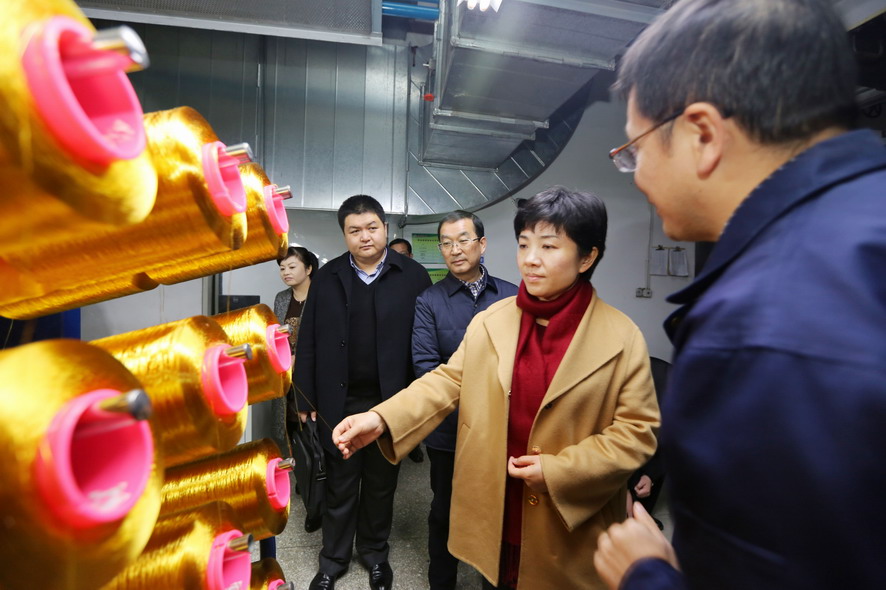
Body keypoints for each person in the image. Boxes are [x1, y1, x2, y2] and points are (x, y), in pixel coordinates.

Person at [593, 1, 886, 589]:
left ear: (702, 135)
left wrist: (646, 574)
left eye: (636, 150)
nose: (639, 174)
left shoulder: (756, 326)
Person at [333, 187, 660, 590]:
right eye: (524, 244)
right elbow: (447, 379)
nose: (531, 259)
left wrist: (560, 471)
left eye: (549, 246)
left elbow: (636, 433)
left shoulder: (621, 336)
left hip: (568, 518)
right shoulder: (493, 320)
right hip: (499, 502)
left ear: (587, 257)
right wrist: (382, 417)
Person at [295, 195, 431, 590]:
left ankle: (374, 554)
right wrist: (305, 397)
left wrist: (419, 402)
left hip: (392, 401)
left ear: (385, 228)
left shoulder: (413, 276)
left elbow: (422, 341)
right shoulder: (328, 277)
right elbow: (308, 340)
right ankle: (333, 560)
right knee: (339, 482)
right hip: (338, 400)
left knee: (381, 483)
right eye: (354, 230)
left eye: (372, 227)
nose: (364, 236)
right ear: (344, 235)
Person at [411, 210, 518, 590]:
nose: (455, 250)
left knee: (499, 511)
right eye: (446, 243)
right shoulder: (429, 300)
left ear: (482, 244)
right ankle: (442, 583)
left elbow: (523, 361)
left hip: (501, 431)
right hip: (449, 431)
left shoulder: (512, 296)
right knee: (445, 510)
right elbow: (426, 366)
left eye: (463, 240)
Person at [388, 236, 426, 464]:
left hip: (416, 350)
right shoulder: (382, 279)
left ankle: (414, 444)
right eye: (393, 254)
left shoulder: (419, 277)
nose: (397, 259)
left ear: (410, 256)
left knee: (414, 402)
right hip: (392, 353)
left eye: (402, 255)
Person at [274, 246, 319, 355]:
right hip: (286, 360)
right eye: (282, 268)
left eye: (292, 267)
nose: (286, 272)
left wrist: (298, 358)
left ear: (308, 269)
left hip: (314, 361)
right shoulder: (281, 298)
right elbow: (278, 335)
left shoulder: (322, 296)